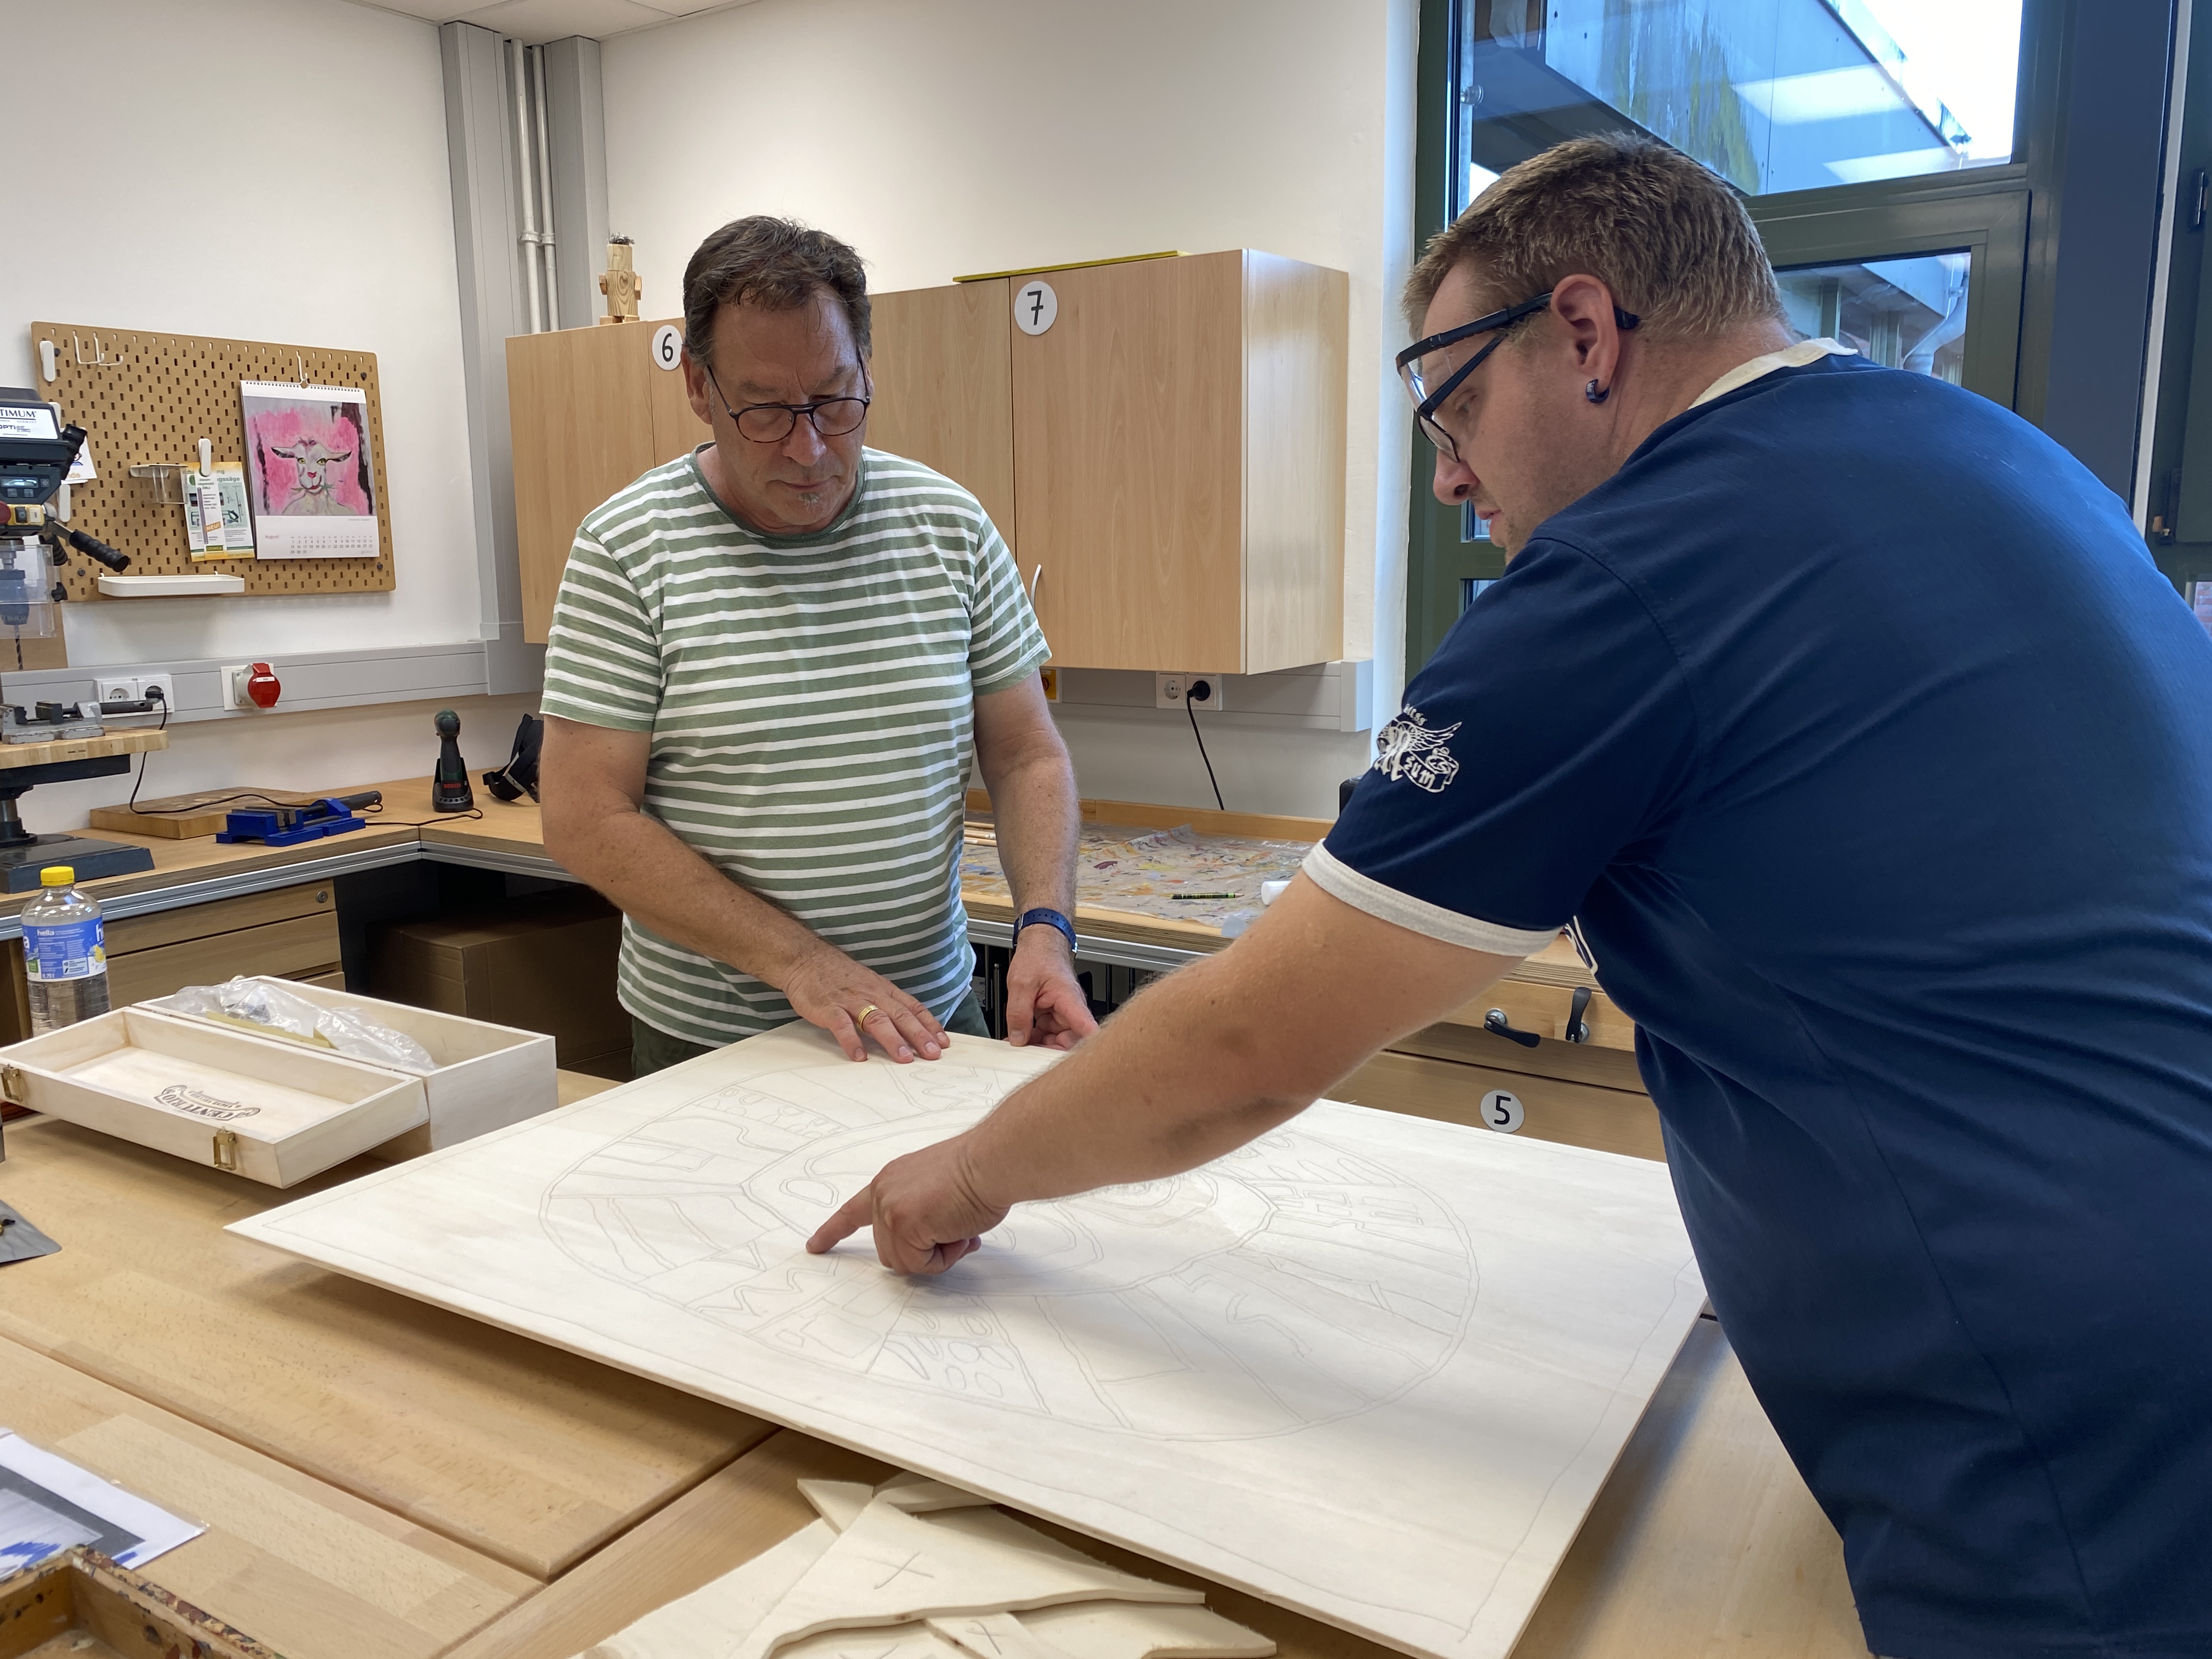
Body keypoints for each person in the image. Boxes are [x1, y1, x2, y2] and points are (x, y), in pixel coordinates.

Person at [808, 136, 2212, 1658]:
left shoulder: (1631, 571)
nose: (1448, 474)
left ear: (1588, 334)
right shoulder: (1996, 456)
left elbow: (1249, 1047)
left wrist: (972, 1174)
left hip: (2075, 1417)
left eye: (1455, 404)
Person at [539, 217, 1096, 1075]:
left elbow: (1027, 755)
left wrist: (1046, 931)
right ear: (699, 387)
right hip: (718, 1041)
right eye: (765, 410)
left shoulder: (949, 525)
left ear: (866, 367)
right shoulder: (627, 550)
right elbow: (585, 818)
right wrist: (802, 963)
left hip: (930, 1017)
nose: (808, 449)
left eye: (836, 401)